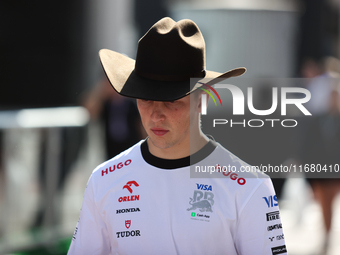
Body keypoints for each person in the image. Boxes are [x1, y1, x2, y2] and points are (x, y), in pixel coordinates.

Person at [68, 17, 287, 255]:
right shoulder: (104, 180)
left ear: (202, 99)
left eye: (172, 100)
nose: (156, 115)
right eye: (145, 98)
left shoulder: (249, 186)